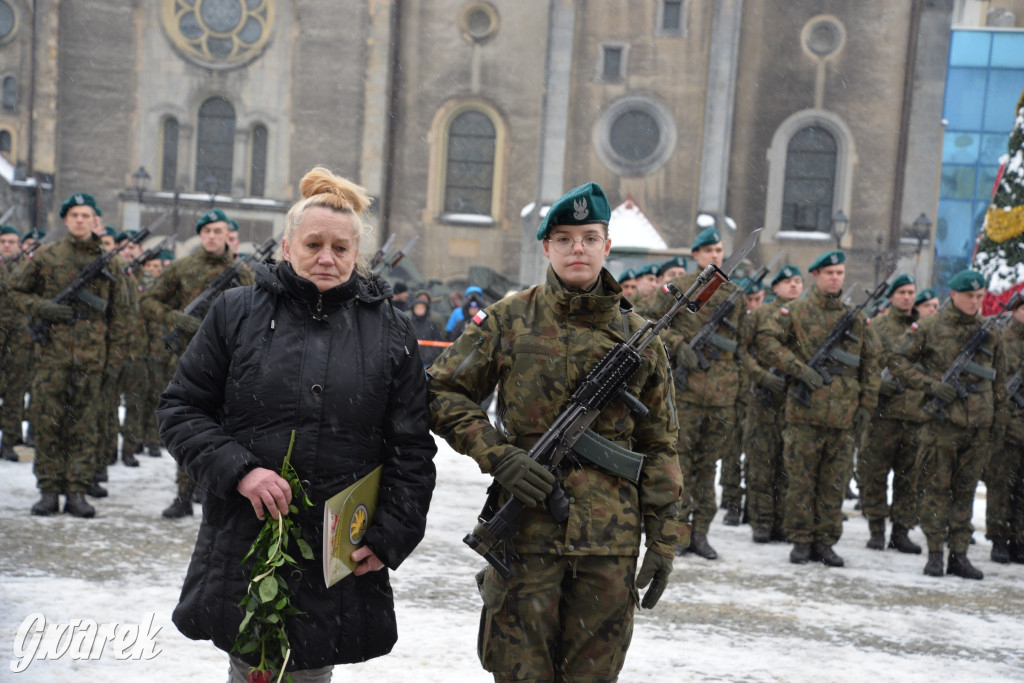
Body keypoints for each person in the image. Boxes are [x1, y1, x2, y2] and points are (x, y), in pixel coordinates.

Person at [157, 166, 436, 680]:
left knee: (310, 669)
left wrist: (391, 533)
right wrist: (241, 470)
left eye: (340, 248)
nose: (326, 258)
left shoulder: (391, 331)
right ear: (287, 247)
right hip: (247, 543)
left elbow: (411, 449)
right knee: (251, 668)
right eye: (313, 244)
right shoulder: (236, 313)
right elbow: (181, 409)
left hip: (335, 554)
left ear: (358, 255)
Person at [428, 182, 683, 682]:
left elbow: (659, 444)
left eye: (589, 237)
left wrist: (665, 540)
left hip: (608, 549)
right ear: (546, 247)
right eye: (564, 238)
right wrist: (498, 455)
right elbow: (441, 392)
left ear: (607, 246)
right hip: (525, 537)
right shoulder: (509, 320)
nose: (578, 249)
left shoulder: (641, 338)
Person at [9, 193, 135, 517]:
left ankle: (77, 491)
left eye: (86, 215)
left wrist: (115, 360)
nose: (80, 220)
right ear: (65, 219)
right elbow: (14, 291)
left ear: (96, 221)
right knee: (48, 423)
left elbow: (122, 316)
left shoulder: (112, 264)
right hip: (51, 355)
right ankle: (49, 490)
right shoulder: (46, 257)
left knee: (85, 426)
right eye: (74, 215)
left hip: (92, 358)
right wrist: (43, 307)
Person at [759, 249, 880, 567]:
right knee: (801, 480)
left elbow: (870, 364)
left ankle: (826, 541)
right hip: (805, 413)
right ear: (816, 275)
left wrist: (866, 405)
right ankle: (801, 540)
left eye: (840, 272)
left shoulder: (855, 317)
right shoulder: (796, 312)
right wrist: (800, 370)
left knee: (834, 483)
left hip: (843, 416)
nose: (835, 278)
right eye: (829, 273)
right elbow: (767, 342)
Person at [891, 269, 1007, 579]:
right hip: (941, 424)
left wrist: (998, 423)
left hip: (978, 426)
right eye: (969, 296)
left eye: (979, 297)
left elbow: (1000, 380)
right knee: (936, 491)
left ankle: (959, 555)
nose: (975, 302)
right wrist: (929, 385)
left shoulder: (991, 331)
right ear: (953, 295)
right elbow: (896, 361)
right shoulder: (930, 326)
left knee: (965, 492)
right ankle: (935, 553)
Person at [141, 208, 255, 518]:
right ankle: (183, 494)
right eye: (206, 232)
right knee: (191, 426)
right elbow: (149, 301)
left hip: (231, 361)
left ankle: (214, 490)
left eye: (218, 232)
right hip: (189, 359)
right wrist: (176, 318)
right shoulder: (181, 268)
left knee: (225, 427)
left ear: (227, 235)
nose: (212, 237)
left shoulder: (241, 273)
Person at [657, 226, 744, 557]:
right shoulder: (679, 289)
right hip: (686, 395)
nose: (715, 256)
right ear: (695, 255)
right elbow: (644, 324)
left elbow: (743, 346)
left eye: (719, 250)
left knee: (708, 470)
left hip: (721, 397)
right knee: (681, 469)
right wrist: (678, 345)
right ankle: (679, 534)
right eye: (708, 251)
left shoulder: (733, 294)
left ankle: (702, 534)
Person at [858, 274, 926, 554]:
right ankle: (876, 529)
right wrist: (877, 385)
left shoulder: (924, 328)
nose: (907, 297)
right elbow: (866, 363)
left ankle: (901, 531)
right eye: (902, 292)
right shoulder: (877, 327)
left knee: (909, 479)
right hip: (883, 414)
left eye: (911, 292)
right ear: (892, 296)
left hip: (916, 414)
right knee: (874, 474)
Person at [740, 265, 803, 543]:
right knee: (761, 463)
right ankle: (762, 522)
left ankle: (783, 522)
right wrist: (761, 376)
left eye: (798, 281)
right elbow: (741, 350)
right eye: (788, 282)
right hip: (763, 400)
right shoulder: (761, 315)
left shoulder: (807, 315)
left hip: (795, 401)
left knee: (789, 466)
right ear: (774, 287)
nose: (794, 286)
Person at [987, 295, 1024, 564]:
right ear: (1016, 310)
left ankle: (1020, 539)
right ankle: (999, 538)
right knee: (1001, 484)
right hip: (1005, 424)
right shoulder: (1000, 338)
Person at [0, 225, 27, 461]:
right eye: (3, 241)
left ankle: (8, 442)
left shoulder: (27, 269)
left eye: (11, 241)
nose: (7, 245)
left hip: (19, 338)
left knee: (14, 392)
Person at [409, 288, 446, 367]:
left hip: (428, 361)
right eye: (417, 307)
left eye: (422, 307)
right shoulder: (408, 322)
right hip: (411, 360)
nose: (419, 310)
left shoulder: (433, 322)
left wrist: (430, 354)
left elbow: (438, 339)